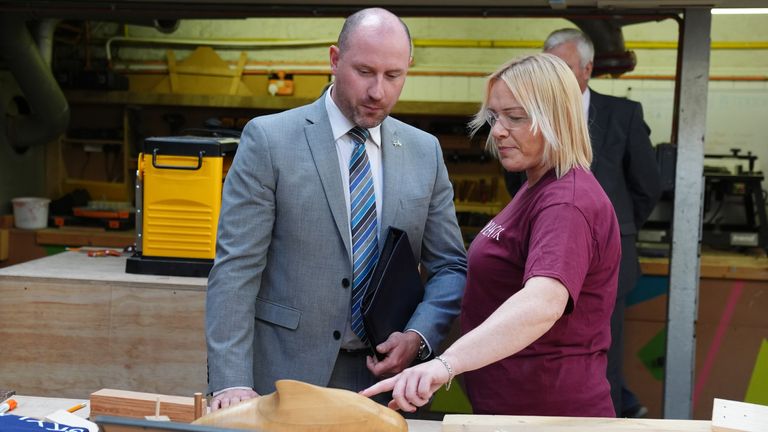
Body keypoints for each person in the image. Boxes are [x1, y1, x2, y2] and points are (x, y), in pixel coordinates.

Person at [205, 8, 467, 410]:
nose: (378, 91)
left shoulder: (424, 152)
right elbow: (236, 268)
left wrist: (418, 336)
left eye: (393, 76)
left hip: (386, 383)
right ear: (333, 59)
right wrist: (230, 382)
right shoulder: (269, 141)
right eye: (364, 72)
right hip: (284, 377)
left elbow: (450, 267)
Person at [363, 53, 621, 417]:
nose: (498, 130)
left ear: (557, 118)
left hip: (548, 414)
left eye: (515, 117)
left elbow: (543, 302)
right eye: (495, 117)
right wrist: (418, 341)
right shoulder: (537, 187)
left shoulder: (567, 202)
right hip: (515, 409)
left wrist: (445, 364)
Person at [504, 28, 662, 417]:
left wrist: (610, 234)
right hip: (546, 257)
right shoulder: (526, 119)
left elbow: (647, 185)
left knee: (598, 351)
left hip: (610, 260)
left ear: (587, 69)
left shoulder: (623, 114)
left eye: (563, 67)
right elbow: (517, 180)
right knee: (543, 345)